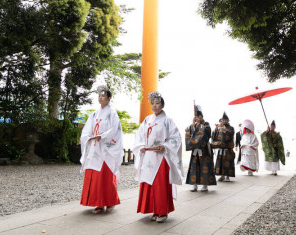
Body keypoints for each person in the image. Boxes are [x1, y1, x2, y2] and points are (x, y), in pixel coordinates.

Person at [133, 92, 184, 223]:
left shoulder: (168, 121)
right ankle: (152, 209)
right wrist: (141, 146)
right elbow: (139, 137)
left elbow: (176, 138)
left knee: (160, 184)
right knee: (148, 183)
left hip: (161, 156)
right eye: (153, 103)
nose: (155, 106)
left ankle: (162, 211)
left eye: (157, 103)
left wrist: (165, 145)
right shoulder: (147, 120)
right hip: (148, 155)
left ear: (162, 105)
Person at [80, 85, 124, 214]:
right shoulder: (94, 114)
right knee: (95, 177)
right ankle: (98, 203)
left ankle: (110, 201)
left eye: (103, 95)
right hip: (95, 148)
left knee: (106, 176)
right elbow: (87, 129)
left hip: (106, 149)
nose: (100, 97)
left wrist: (103, 136)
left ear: (109, 98)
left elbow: (115, 129)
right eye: (99, 95)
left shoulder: (112, 113)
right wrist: (88, 137)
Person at [185, 105, 216, 192]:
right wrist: (193, 125)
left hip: (204, 149)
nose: (197, 118)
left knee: (204, 166)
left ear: (201, 116)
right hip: (195, 149)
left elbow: (207, 133)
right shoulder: (193, 125)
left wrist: (199, 125)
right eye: (195, 117)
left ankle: (205, 185)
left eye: (198, 116)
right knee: (195, 167)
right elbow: (188, 131)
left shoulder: (206, 125)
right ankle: (194, 185)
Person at [211, 112, 235, 182]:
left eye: (225, 120)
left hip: (228, 148)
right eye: (223, 120)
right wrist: (216, 129)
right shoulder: (220, 128)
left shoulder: (231, 128)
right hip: (221, 148)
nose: (223, 121)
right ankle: (222, 175)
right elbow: (214, 137)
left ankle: (227, 176)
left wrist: (224, 129)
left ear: (228, 120)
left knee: (228, 162)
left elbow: (229, 136)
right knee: (221, 163)